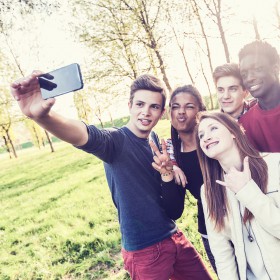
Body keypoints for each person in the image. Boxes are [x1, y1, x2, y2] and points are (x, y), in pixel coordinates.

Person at [11, 72, 212, 280]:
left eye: (154, 107)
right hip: (145, 252)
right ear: (129, 106)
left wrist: (171, 169)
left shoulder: (153, 139)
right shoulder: (115, 141)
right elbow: (84, 134)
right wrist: (43, 117)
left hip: (175, 237)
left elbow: (170, 200)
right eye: (140, 104)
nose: (146, 112)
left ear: (161, 112)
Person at [196, 111, 280, 280]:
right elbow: (222, 254)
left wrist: (247, 191)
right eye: (201, 135)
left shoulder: (275, 165)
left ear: (234, 132)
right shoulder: (208, 191)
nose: (206, 137)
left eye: (213, 128)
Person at [163, 85, 217, 273]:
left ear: (200, 111)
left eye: (189, 106)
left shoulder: (214, 137)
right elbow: (174, 211)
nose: (181, 112)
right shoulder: (169, 152)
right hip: (210, 229)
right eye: (175, 106)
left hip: (242, 218)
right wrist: (169, 172)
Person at [238, 40, 280, 152]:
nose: (249, 78)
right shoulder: (244, 125)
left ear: (275, 69)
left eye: (257, 69)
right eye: (244, 74)